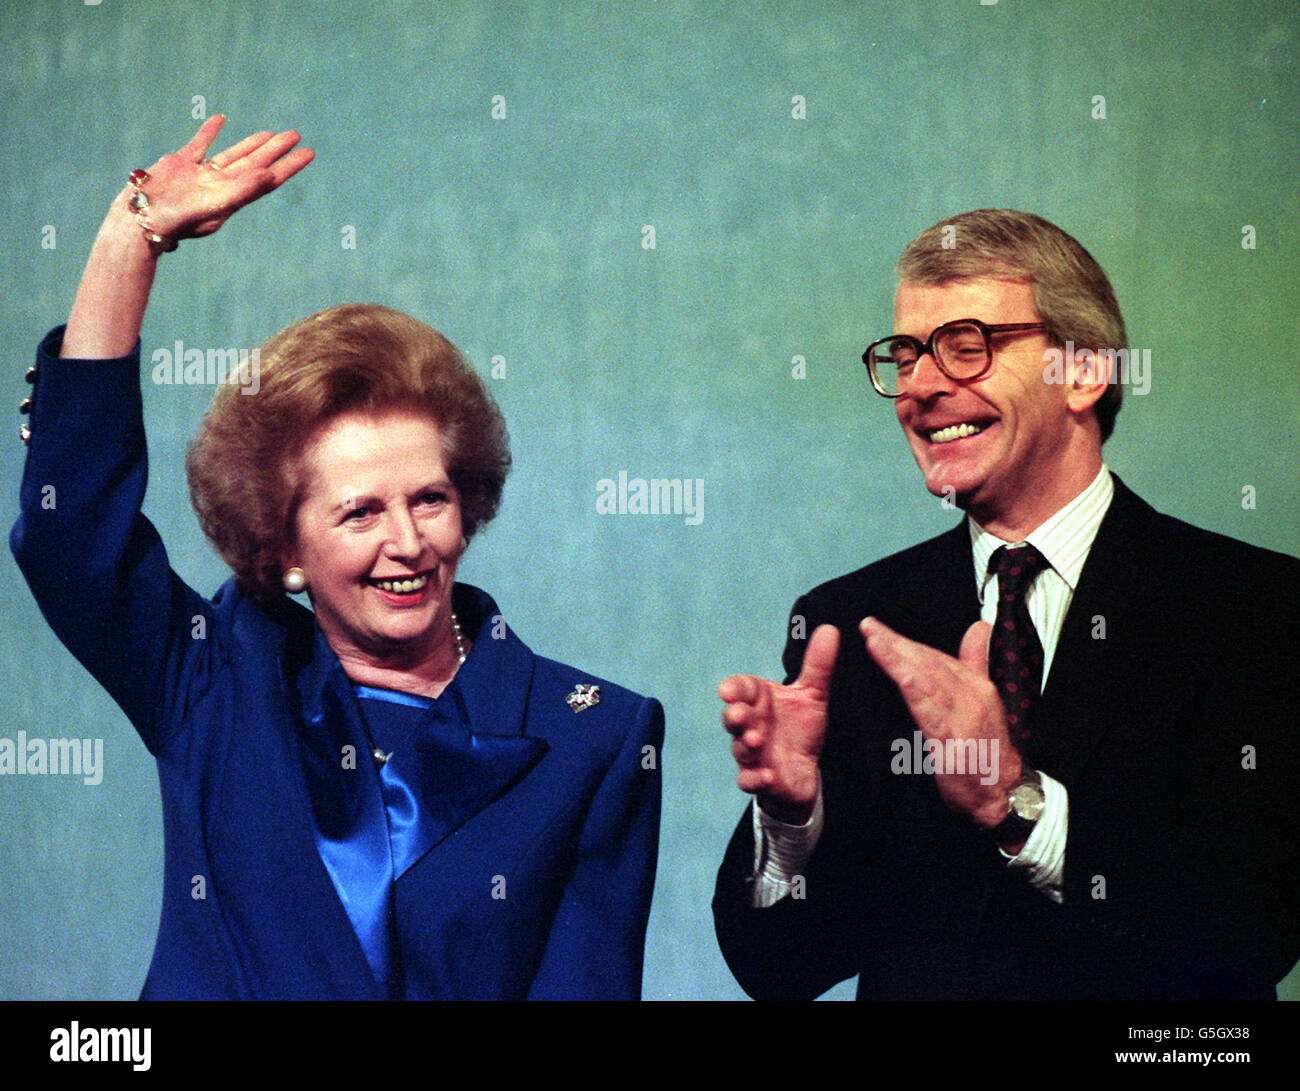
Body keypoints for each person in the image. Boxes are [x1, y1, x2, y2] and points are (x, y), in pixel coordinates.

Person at [11, 116, 662, 1000]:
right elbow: (71, 531)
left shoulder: (593, 734)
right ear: (283, 543)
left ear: (466, 504)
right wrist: (134, 234)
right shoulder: (214, 679)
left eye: (429, 498)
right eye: (359, 511)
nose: (407, 541)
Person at [712, 209, 1300, 1001]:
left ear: (1085, 373)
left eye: (966, 346)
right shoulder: (851, 625)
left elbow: (1252, 929)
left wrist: (1011, 803)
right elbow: (777, 968)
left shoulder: (1255, 608)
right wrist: (791, 822)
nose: (920, 386)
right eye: (905, 355)